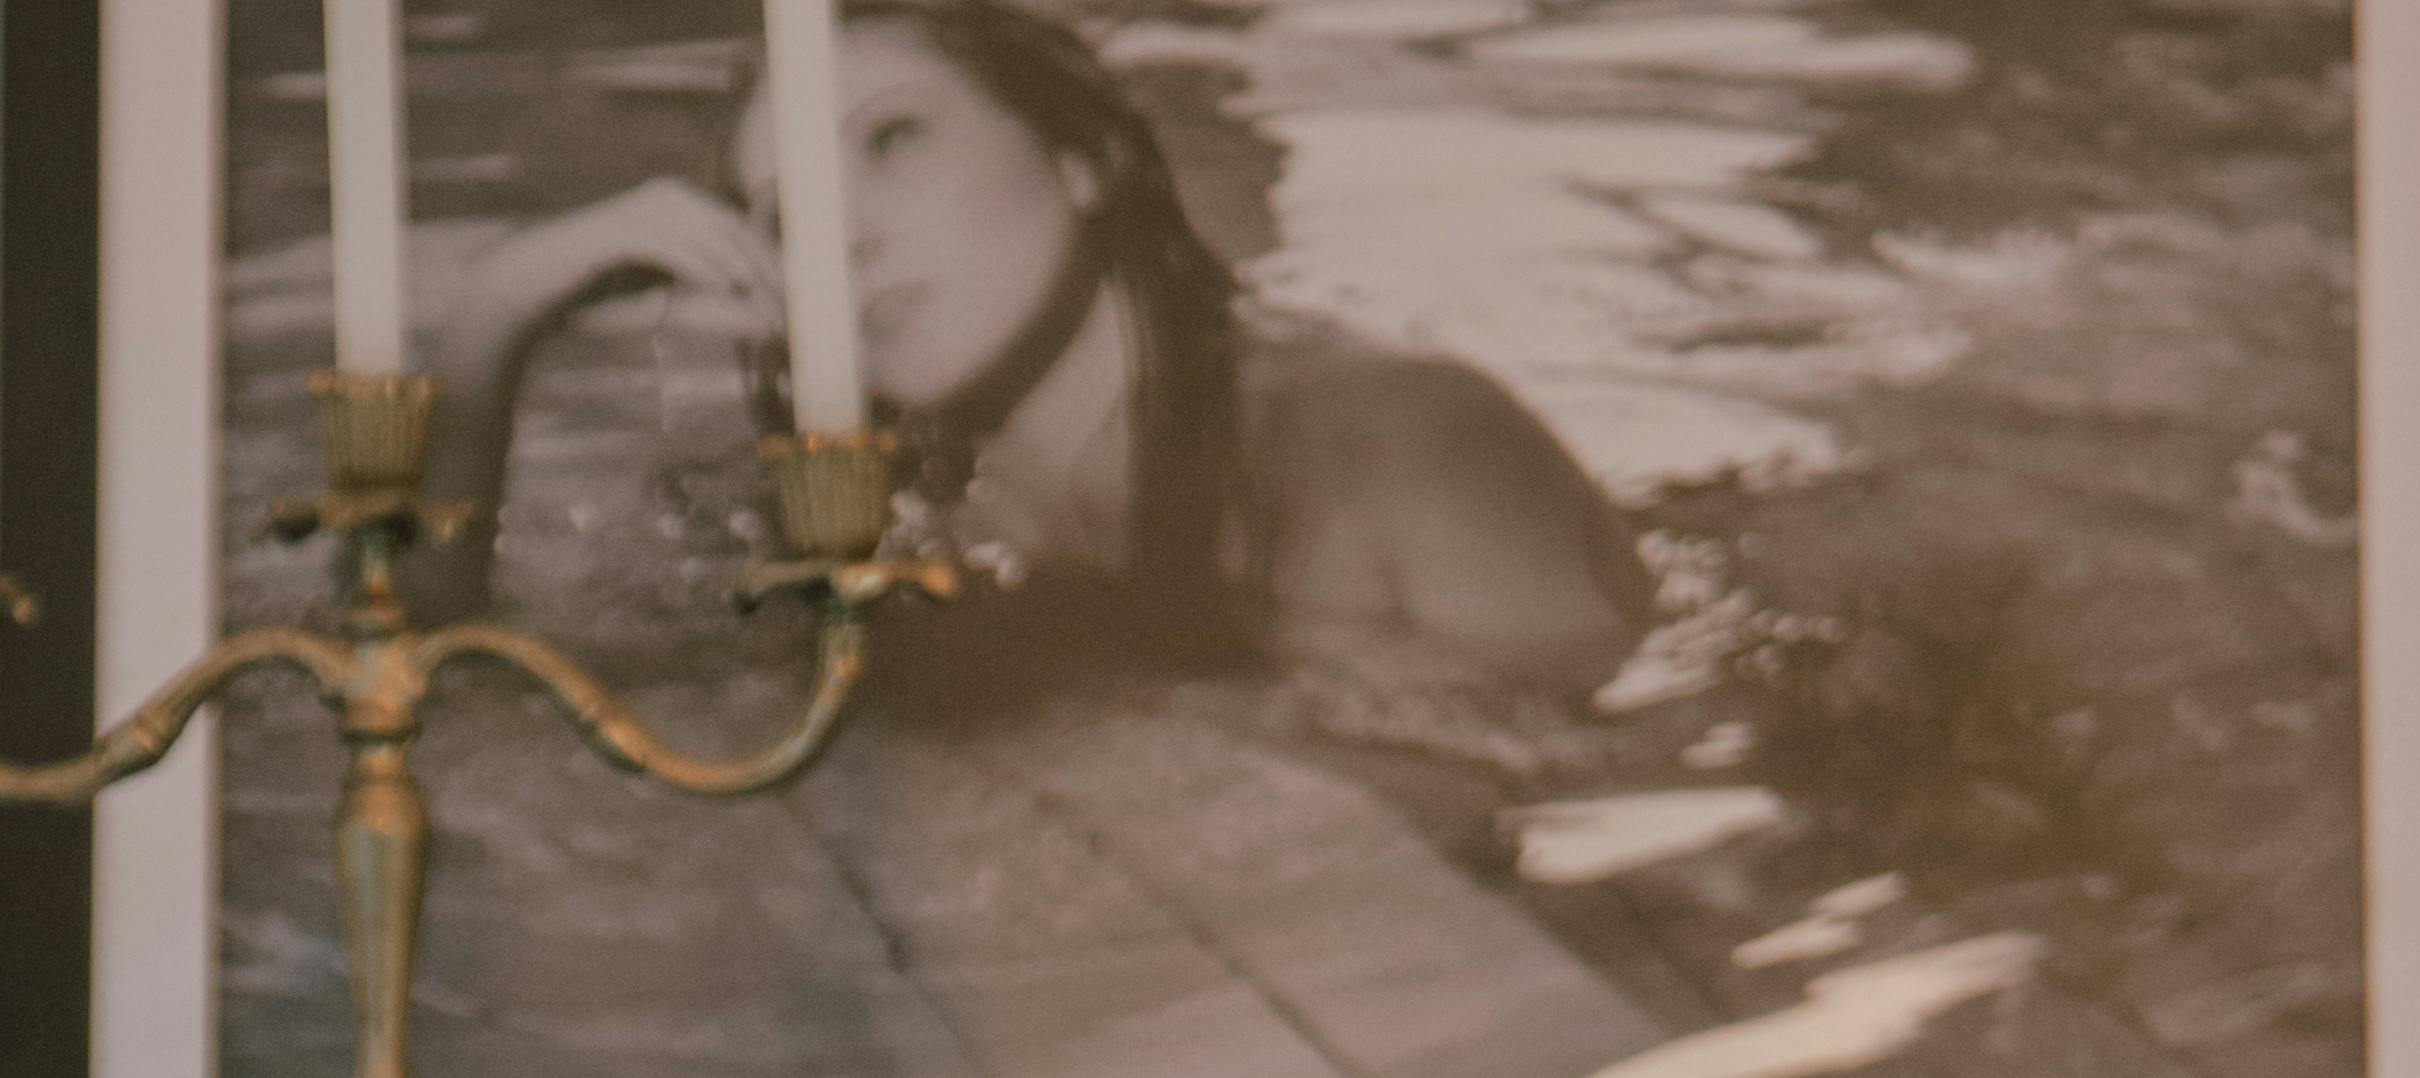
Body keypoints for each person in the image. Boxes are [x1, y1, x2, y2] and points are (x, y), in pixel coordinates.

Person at [415, 0, 1650, 707]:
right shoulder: (893, 514)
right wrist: (494, 324)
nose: (839, 236)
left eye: (892, 140)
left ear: (1084, 157)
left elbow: (1598, 806)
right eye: (785, 217)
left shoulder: (1399, 440)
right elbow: (437, 688)